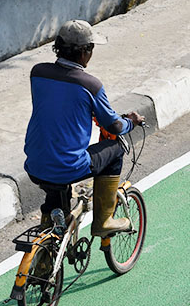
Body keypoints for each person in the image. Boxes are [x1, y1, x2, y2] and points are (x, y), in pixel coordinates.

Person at [23, 19, 145, 237]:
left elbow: (59, 106)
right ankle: (104, 221)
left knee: (55, 172)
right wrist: (131, 122)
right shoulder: (90, 85)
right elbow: (114, 125)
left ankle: (48, 230)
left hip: (34, 163)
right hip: (68, 166)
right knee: (116, 149)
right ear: (84, 52)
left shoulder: (38, 73)